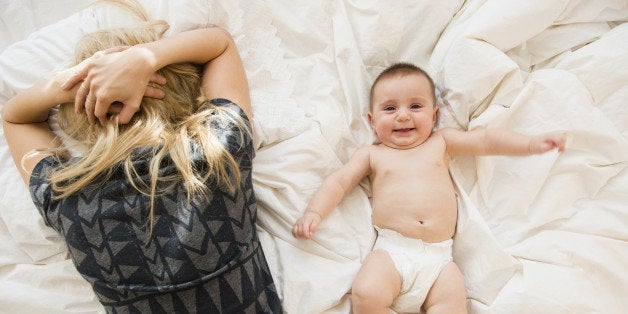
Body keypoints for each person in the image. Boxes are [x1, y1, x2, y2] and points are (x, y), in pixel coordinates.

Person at [2, 1, 281, 313]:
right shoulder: (215, 150)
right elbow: (220, 43)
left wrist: (74, 84)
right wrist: (147, 58)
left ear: (81, 114)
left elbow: (15, 117)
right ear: (182, 89)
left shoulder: (68, 198)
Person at [292, 62, 566, 313]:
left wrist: (530, 145)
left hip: (440, 259)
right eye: (390, 108)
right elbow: (339, 182)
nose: (402, 116)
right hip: (392, 251)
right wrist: (314, 213)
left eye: (415, 106)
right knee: (366, 293)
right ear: (371, 121)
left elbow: (485, 141)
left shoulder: (441, 143)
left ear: (434, 115)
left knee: (453, 304)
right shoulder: (372, 154)